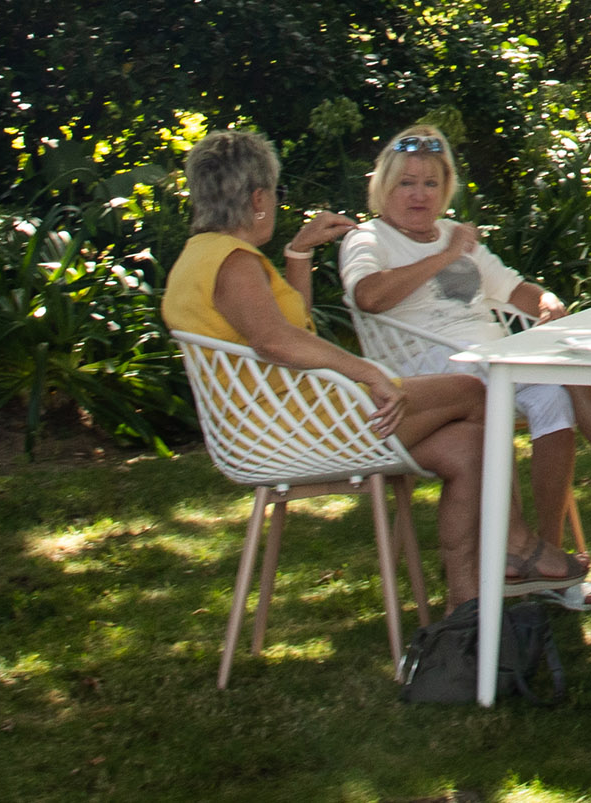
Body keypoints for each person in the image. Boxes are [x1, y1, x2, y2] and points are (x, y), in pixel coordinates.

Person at [340, 124, 591, 576]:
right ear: (385, 186)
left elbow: (513, 287)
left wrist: (547, 303)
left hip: (493, 359)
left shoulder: (452, 234)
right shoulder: (368, 239)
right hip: (431, 373)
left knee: (555, 395)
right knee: (562, 369)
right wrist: (445, 255)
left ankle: (545, 549)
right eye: (407, 183)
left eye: (431, 183)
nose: (420, 195)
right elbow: (369, 296)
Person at [160, 127, 497, 583]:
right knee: (473, 393)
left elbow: (292, 327)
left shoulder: (200, 257)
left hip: (278, 425)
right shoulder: (234, 263)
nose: (273, 203)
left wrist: (299, 252)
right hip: (294, 430)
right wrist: (368, 372)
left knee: (468, 446)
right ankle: (513, 551)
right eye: (274, 193)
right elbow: (275, 341)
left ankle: (468, 601)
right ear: (258, 198)